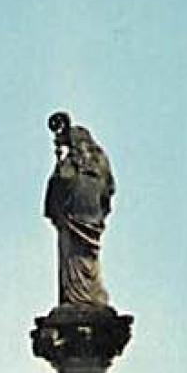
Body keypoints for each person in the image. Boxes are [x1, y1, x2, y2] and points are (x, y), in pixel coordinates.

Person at [43, 111, 116, 309]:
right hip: (90, 220)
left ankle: (78, 297)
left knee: (74, 260)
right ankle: (88, 294)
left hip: (74, 221)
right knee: (86, 261)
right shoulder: (100, 166)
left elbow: (59, 187)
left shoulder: (72, 166)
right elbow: (109, 192)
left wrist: (59, 161)